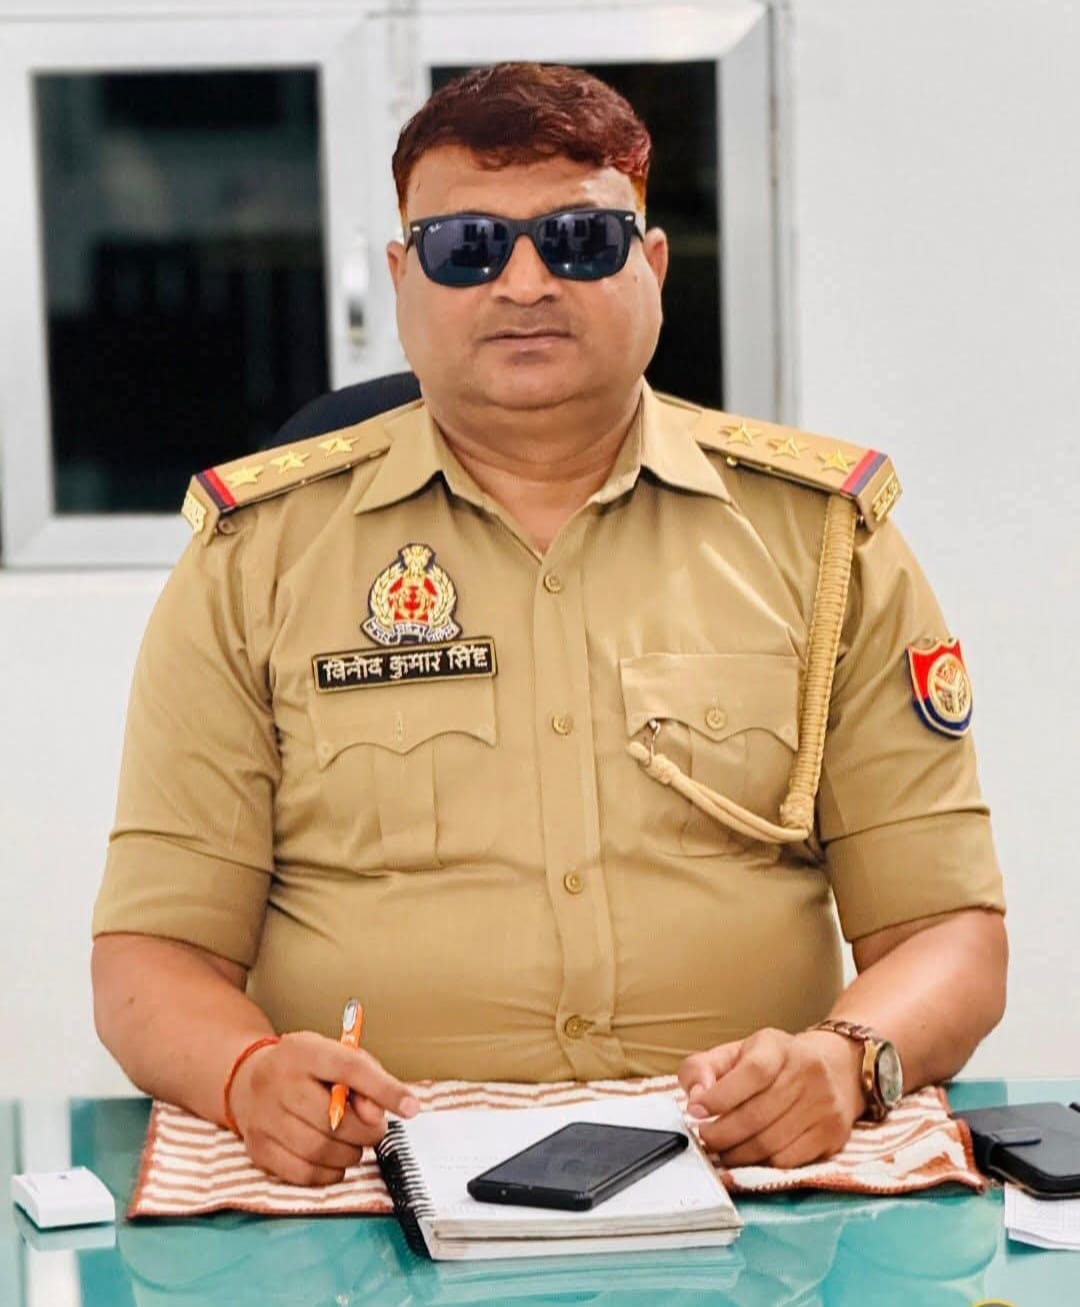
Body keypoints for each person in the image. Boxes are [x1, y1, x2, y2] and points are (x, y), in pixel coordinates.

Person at [91, 62, 1007, 1188]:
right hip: (367, 1176)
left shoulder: (823, 544)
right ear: (401, 278)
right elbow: (150, 956)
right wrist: (245, 1074)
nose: (524, 282)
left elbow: (948, 932)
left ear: (652, 266)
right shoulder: (256, 557)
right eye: (466, 247)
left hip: (755, 1170)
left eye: (579, 241)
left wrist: (849, 1058)